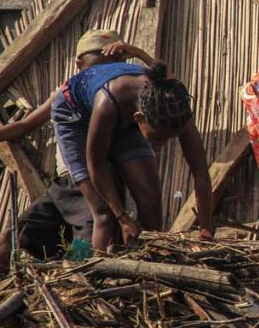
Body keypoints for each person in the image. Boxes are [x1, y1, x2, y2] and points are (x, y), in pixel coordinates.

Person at [0, 30, 141, 275]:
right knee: (11, 235)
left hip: (95, 185)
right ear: (79, 64)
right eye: (97, 65)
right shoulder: (67, 93)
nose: (103, 72)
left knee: (87, 246)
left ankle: (81, 287)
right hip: (62, 187)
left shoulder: (120, 94)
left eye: (113, 65)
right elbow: (24, 126)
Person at [52, 47, 213, 248]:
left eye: (169, 139)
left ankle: (154, 261)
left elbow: (200, 173)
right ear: (138, 119)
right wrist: (124, 218)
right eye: (158, 138)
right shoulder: (107, 104)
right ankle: (103, 272)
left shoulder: (176, 111)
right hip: (75, 114)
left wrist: (205, 227)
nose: (163, 145)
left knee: (150, 197)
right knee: (103, 213)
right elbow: (97, 165)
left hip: (125, 109)